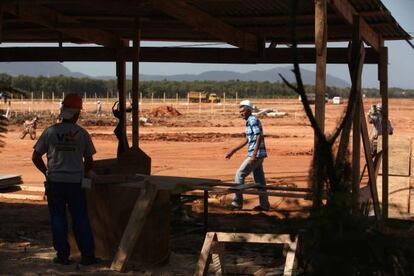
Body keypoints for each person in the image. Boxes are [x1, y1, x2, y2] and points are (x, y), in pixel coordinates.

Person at [32, 93, 98, 265]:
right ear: (76, 114)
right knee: (80, 219)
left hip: (55, 183)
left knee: (58, 219)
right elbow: (90, 160)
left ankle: (62, 256)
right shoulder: (82, 134)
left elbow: (35, 156)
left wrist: (47, 172)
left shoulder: (50, 132)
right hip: (76, 184)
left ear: (63, 112)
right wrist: (84, 174)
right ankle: (87, 256)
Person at [225, 100, 270, 211]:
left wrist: (254, 155)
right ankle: (264, 205)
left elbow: (259, 136)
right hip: (260, 154)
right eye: (240, 111)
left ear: (249, 110)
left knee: (240, 174)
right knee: (259, 181)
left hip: (256, 154)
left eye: (243, 111)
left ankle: (237, 202)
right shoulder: (249, 121)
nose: (241, 113)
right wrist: (233, 150)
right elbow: (247, 139)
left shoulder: (252, 120)